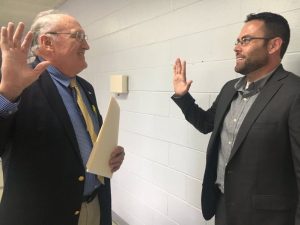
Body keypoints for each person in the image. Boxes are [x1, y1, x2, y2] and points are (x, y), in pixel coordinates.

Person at [172, 12, 300, 225]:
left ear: (273, 45)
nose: (236, 47)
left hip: (268, 218)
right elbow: (206, 124)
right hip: (224, 208)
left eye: (246, 40)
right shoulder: (230, 88)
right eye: (238, 41)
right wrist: (183, 97)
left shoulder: (294, 93)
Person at [0, 10, 125, 225]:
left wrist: (110, 154)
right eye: (79, 37)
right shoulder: (16, 84)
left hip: (94, 207)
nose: (87, 46)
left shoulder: (86, 88)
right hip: (43, 216)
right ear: (47, 42)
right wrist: (8, 94)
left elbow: (89, 140)